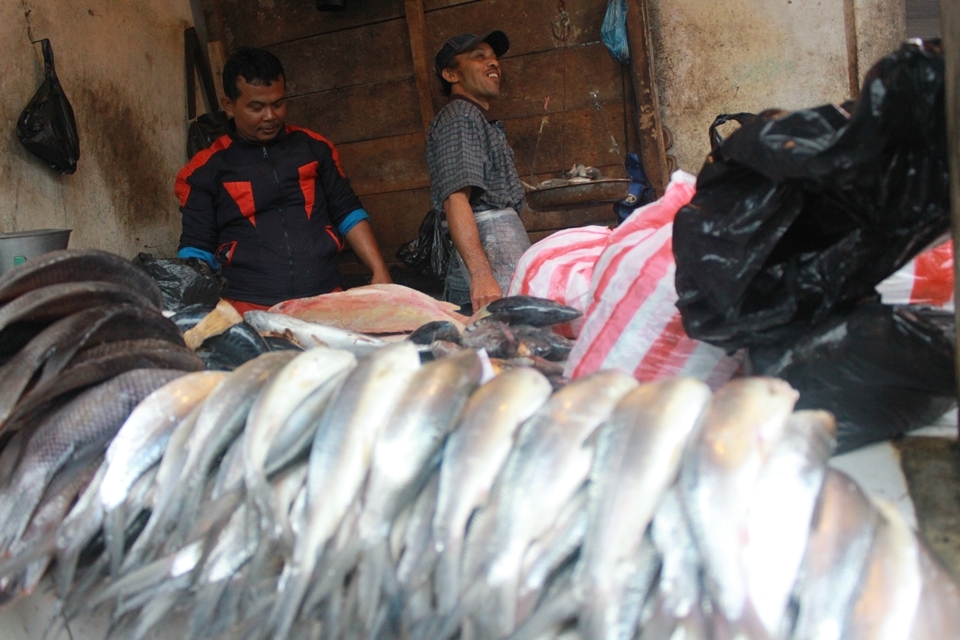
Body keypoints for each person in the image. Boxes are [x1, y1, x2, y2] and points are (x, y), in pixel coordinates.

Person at [175, 47, 391, 314]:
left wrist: (380, 271)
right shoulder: (204, 170)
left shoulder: (315, 148)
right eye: (256, 107)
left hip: (326, 297)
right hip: (247, 307)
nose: (270, 116)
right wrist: (194, 312)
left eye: (278, 104)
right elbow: (196, 247)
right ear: (229, 106)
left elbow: (347, 210)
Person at [427, 30, 529, 312]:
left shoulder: (477, 118)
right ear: (451, 75)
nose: (494, 63)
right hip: (490, 254)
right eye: (479, 57)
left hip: (499, 249)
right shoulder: (460, 116)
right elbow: (455, 199)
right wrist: (482, 276)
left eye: (495, 58)